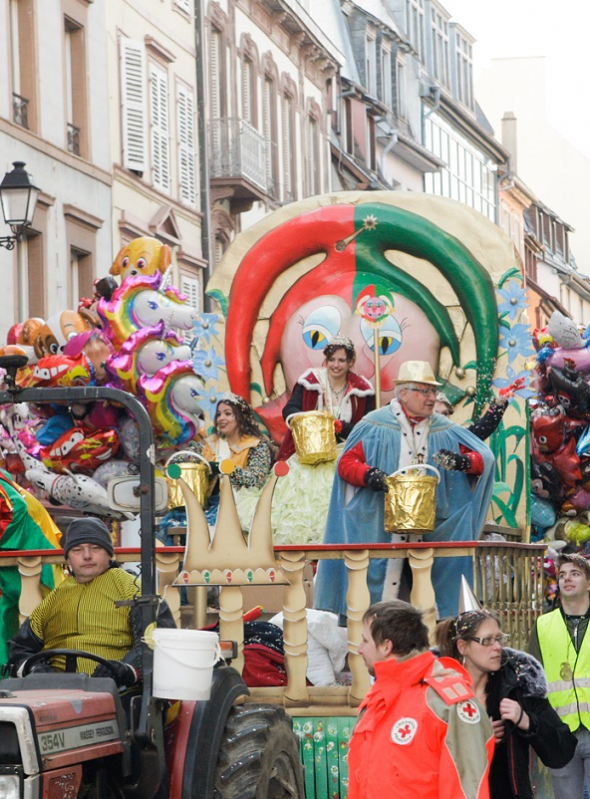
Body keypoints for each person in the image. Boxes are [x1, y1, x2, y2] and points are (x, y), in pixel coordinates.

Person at [314, 360, 495, 619]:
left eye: (433, 391)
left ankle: (434, 644)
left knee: (433, 602)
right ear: (404, 393)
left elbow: (482, 459)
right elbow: (345, 464)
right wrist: (370, 476)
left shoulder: (444, 428)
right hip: (380, 527)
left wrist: (464, 462)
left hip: (434, 532)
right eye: (424, 391)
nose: (432, 398)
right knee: (381, 604)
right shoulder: (374, 424)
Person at [349, 600, 494, 799]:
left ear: (386, 646)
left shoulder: (445, 702)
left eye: (365, 641)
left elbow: (466, 787)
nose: (359, 649)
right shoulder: (377, 700)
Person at [8, 517, 175, 685]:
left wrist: (123, 669)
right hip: (55, 691)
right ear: (68, 559)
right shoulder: (52, 600)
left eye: (95, 548)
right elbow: (20, 649)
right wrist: (34, 669)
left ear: (109, 553)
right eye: (77, 550)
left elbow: (156, 640)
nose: (87, 556)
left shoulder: (134, 591)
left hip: (117, 691)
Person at [437, 609, 577, 799]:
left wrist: (528, 722)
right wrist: (477, 741)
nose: (497, 647)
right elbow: (422, 760)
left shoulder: (519, 687)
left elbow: (563, 751)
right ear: (463, 647)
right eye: (487, 640)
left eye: (499, 638)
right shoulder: (438, 694)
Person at [269, 336, 374, 544]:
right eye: (332, 359)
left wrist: (341, 427)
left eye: (342, 360)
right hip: (308, 454)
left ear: (351, 362)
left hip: (343, 453)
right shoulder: (310, 381)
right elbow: (291, 409)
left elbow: (367, 428)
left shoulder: (363, 389)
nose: (336, 365)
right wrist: (311, 423)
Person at [529, 552, 590, 799]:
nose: (567, 579)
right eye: (562, 574)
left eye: (575, 574)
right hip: (560, 733)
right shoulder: (543, 625)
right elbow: (532, 682)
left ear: (588, 582)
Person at [191, 393, 273, 529]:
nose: (221, 418)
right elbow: (186, 457)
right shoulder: (209, 444)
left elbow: (256, 480)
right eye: (218, 414)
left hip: (241, 506)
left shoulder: (256, 445)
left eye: (227, 414)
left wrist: (228, 469)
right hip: (207, 505)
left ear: (242, 417)